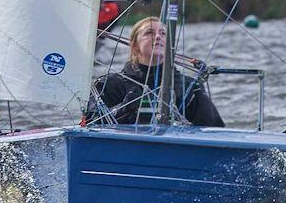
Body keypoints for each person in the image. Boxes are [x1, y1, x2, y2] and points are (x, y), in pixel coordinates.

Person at [86, 16, 225, 127]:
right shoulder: (110, 85)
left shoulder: (187, 86)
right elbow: (90, 123)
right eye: (149, 33)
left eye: (163, 33)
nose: (158, 37)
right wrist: (125, 108)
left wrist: (196, 97)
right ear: (135, 46)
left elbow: (214, 130)